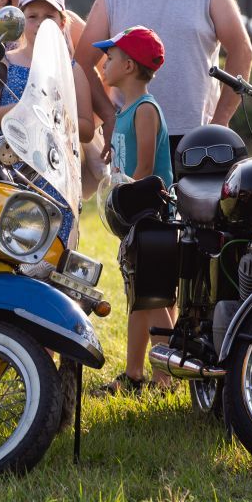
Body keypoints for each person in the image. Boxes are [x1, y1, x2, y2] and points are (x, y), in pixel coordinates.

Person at [74, 0, 252, 160]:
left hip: (198, 136)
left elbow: (242, 51)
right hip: (133, 133)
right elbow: (81, 62)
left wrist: (220, 122)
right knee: (134, 203)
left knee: (201, 203)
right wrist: (111, 118)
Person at [0, 0, 94, 247]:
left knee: (45, 256)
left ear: (62, 22)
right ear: (20, 21)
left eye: (49, 17)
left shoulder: (72, 72)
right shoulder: (4, 61)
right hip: (4, 173)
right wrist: (26, 107)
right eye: (32, 16)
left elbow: (86, 128)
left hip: (53, 180)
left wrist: (55, 114)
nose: (40, 23)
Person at [89, 26, 175, 395]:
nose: (103, 64)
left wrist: (120, 198)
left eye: (109, 58)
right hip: (134, 220)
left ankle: (167, 378)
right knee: (138, 299)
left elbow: (143, 172)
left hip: (151, 218)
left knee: (155, 300)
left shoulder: (145, 109)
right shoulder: (125, 111)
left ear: (128, 64)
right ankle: (134, 374)